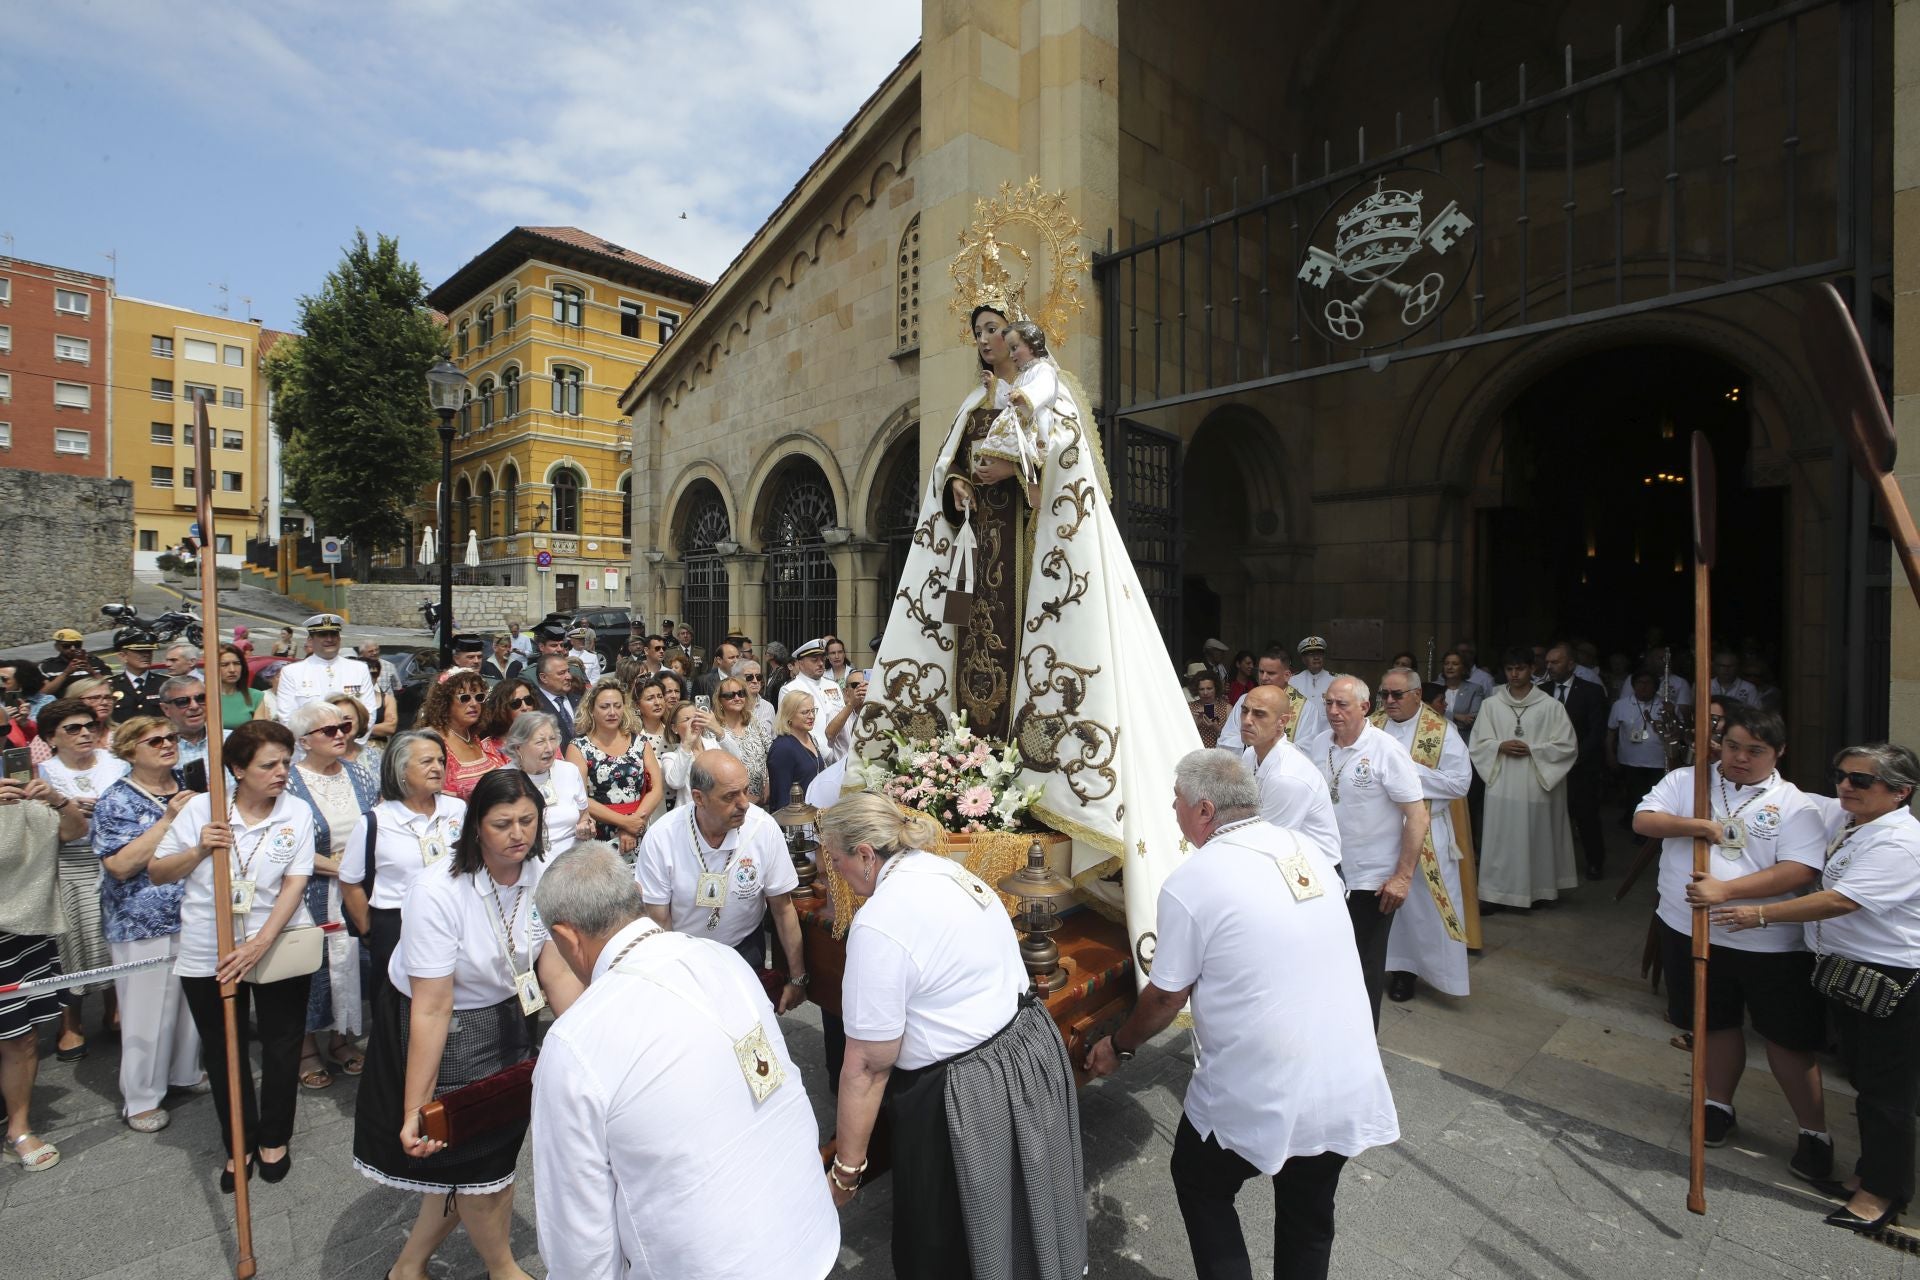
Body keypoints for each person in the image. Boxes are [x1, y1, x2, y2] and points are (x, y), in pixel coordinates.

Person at [1084, 751, 1399, 1280]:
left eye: (1178, 801)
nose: (1173, 808)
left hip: (1266, 1082)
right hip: (1346, 1075)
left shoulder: (1195, 880)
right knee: (1309, 1213)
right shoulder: (1307, 849)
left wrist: (1118, 1045)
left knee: (1200, 1180)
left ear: (1205, 810)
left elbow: (1165, 998)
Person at [532, 841, 840, 1279]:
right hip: (807, 1228)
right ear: (636, 893)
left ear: (566, 937)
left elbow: (578, 1234)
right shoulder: (724, 959)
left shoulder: (575, 1042)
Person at [819, 790, 1086, 1278]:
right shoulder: (947, 870)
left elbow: (867, 1064)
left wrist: (848, 1168)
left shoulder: (879, 922)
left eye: (836, 861)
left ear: (864, 853)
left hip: (966, 1090)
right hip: (1026, 1053)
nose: (834, 874)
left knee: (945, 1242)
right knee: (1023, 1207)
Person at [351, 770, 584, 1280]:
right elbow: (432, 1006)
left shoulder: (543, 872)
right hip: (446, 1022)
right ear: (475, 827)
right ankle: (503, 1269)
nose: (518, 834)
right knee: (483, 1164)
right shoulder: (436, 890)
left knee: (477, 1157)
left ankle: (408, 1266)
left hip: (508, 1011)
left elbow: (553, 966)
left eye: (528, 820)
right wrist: (419, 1107)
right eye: (502, 823)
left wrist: (590, 1037)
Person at [1711, 743, 1920, 1234]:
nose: (1846, 786)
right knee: (1867, 1082)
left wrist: (1757, 913)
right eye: (1841, 775)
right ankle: (1870, 1174)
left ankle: (1881, 1195)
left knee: (1887, 1093)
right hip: (1851, 973)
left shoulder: (1900, 843)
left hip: (1890, 978)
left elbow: (1840, 902)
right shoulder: (1851, 819)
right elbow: (1782, 793)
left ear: (1899, 792)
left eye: (1861, 780)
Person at [1632, 703, 1831, 1175]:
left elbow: (1800, 869)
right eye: (1733, 746)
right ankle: (1718, 1104)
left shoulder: (1795, 804)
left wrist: (1725, 890)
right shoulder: (1690, 782)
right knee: (1713, 1023)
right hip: (1688, 928)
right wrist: (1697, 825)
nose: (1740, 758)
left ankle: (1813, 1130)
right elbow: (1645, 819)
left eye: (1754, 751)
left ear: (1778, 752)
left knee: (1786, 1038)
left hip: (1764, 941)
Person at [148, 720, 316, 1191]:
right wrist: (201, 848)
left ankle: (275, 1138)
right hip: (210, 944)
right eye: (269, 764)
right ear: (238, 769)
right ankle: (237, 1142)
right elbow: (158, 871)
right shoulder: (203, 809)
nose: (281, 772)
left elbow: (296, 881)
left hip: (278, 940)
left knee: (283, 1045)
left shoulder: (296, 811)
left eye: (286, 762)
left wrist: (260, 942)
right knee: (225, 1050)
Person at [92, 715, 206, 1132]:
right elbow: (120, 865)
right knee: (146, 1011)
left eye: (171, 737)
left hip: (196, 912)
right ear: (129, 751)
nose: (166, 745)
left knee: (191, 1004)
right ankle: (141, 1096)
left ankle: (184, 1071)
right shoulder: (116, 799)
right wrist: (168, 821)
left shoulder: (192, 785)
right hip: (141, 921)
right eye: (154, 740)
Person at [1307, 676, 1429, 1027]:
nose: (1333, 711)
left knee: (1364, 965)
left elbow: (1417, 815)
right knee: (1325, 961)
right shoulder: (1319, 744)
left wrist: (1403, 877)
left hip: (1371, 880)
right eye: (1328, 703)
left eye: (1342, 704)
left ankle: (1362, 1049)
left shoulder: (1385, 749)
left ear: (1364, 706)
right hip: (1327, 872)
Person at [635, 751, 807, 993]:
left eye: (746, 791)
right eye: (730, 797)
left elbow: (783, 907)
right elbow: (658, 920)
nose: (745, 804)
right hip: (685, 955)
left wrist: (798, 978)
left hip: (746, 949)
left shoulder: (763, 828)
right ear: (699, 798)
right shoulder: (662, 837)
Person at [285, 701, 379, 1089]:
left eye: (342, 727)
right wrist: (339, 866)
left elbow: (378, 819)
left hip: (357, 886)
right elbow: (287, 844)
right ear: (305, 740)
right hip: (312, 888)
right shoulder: (290, 781)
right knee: (313, 965)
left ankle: (342, 1038)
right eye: (329, 731)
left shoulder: (358, 772)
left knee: (353, 961)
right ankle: (306, 1048)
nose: (340, 734)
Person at [37, 696, 130, 1061]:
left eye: (89, 726)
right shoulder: (42, 774)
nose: (84, 733)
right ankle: (70, 1022)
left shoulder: (117, 765)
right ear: (51, 737)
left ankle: (115, 1008)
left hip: (115, 858)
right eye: (72, 728)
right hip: (69, 863)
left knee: (113, 938)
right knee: (72, 942)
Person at [1373, 666, 1473, 1004]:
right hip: (1378, 830)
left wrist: (1406, 771)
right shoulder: (1371, 726)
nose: (1388, 701)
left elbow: (1460, 783)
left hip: (1426, 830)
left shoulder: (1442, 732)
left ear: (1417, 695)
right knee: (1379, 904)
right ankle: (1382, 965)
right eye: (1383, 694)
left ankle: (1410, 971)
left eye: (1396, 694)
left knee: (1419, 908)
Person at [0, 774, 85, 1171]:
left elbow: (74, 829)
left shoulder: (24, 797)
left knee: (22, 1038)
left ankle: (18, 1127)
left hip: (24, 930)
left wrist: (55, 797)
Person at [339, 730, 466, 995]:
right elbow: (350, 882)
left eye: (441, 761)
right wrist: (370, 932)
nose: (437, 768)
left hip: (453, 918)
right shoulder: (375, 822)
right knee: (394, 1008)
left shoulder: (457, 810)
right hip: (395, 925)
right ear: (401, 769)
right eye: (427, 761)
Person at [1470, 646, 1579, 909]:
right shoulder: (1491, 705)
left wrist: (1535, 749)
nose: (1515, 674)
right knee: (1501, 840)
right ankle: (1496, 894)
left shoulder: (1551, 707)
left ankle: (1537, 891)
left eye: (1520, 668)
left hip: (1536, 784)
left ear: (1532, 669)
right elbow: (1477, 743)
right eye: (1509, 669)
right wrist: (1498, 746)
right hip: (1503, 781)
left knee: (1535, 837)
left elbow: (1567, 746)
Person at [1237, 685, 1341, 865]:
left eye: (1259, 714)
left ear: (1282, 722)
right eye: (1244, 711)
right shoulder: (1250, 754)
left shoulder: (1286, 776)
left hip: (1314, 871)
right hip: (1282, 858)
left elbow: (1267, 843)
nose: (1247, 720)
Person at [567, 678, 661, 856]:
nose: (612, 712)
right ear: (591, 710)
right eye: (604, 707)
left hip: (639, 829)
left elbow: (656, 788)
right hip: (599, 838)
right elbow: (578, 797)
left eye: (617, 706)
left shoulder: (640, 742)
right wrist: (625, 823)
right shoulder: (578, 747)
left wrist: (634, 825)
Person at [1542, 643, 1612, 880]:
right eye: (1548, 662)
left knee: (1586, 815)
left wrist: (1574, 756)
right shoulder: (1541, 690)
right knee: (1551, 816)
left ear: (1571, 664)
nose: (1549, 666)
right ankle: (1552, 864)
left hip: (1582, 766)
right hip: (1549, 766)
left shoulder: (1591, 691)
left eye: (1556, 662)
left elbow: (1597, 730)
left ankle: (1595, 862)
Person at [502, 712, 594, 858]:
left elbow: (584, 815)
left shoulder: (569, 771)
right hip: (525, 862)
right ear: (518, 747)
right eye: (540, 742)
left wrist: (586, 826)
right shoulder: (501, 780)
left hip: (572, 861)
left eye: (552, 739)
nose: (550, 748)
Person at [275, 613, 379, 731]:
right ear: (310, 640)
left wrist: (351, 744)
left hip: (351, 745)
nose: (329, 639)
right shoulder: (292, 673)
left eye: (334, 634)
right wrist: (313, 747)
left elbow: (368, 715)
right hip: (309, 747)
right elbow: (288, 719)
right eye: (323, 635)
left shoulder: (359, 669)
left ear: (339, 638)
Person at [418, 669, 505, 801]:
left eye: (479, 697)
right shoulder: (432, 742)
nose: (474, 703)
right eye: (465, 698)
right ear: (445, 702)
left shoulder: (474, 737)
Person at [1217, 647, 1304, 753]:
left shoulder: (1305, 708)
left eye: (1271, 673)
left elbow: (1306, 749)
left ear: (1287, 675)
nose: (1264, 677)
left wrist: (1264, 742)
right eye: (1261, 672)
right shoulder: (1245, 699)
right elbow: (1225, 740)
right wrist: (1253, 742)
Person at [1608, 671, 1669, 813]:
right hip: (1630, 762)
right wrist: (1610, 754)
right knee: (1634, 798)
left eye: (1648, 683)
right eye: (1640, 683)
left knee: (1656, 801)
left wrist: (1670, 715)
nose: (1644, 687)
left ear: (1655, 687)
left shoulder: (1666, 706)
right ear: (1633, 685)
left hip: (1657, 762)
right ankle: (1636, 829)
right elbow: (1611, 732)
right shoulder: (1620, 705)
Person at [767, 690, 834, 815]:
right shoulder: (782, 748)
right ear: (789, 715)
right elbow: (781, 798)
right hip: (797, 823)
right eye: (805, 712)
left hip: (816, 816)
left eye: (813, 710)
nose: (812, 716)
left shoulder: (810, 737)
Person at [713, 674, 773, 803]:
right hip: (729, 799)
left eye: (741, 693)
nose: (737, 698)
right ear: (720, 701)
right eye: (730, 695)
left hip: (762, 799)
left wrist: (769, 782)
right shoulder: (714, 728)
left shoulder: (752, 720)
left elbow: (771, 751)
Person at [659, 701, 720, 812]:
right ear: (674, 728)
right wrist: (687, 744)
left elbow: (737, 758)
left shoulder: (714, 744)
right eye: (687, 719)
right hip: (689, 815)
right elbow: (676, 783)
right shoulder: (670, 757)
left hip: (717, 812)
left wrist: (719, 731)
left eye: (696, 717)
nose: (694, 722)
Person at [108, 627, 169, 723]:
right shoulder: (110, 686)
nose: (146, 655)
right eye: (139, 651)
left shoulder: (166, 683)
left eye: (149, 651)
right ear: (123, 656)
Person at [157, 673, 212, 769]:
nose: (194, 706)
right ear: (166, 709)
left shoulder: (230, 740)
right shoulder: (157, 750)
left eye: (201, 698)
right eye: (183, 701)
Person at [1289, 636, 1337, 742]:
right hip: (1301, 739)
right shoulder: (1292, 681)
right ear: (1303, 659)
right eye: (1311, 654)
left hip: (1329, 737)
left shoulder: (1336, 681)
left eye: (1319, 653)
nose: (1316, 657)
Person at [39, 627, 110, 698]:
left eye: (77, 645)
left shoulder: (96, 662)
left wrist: (92, 672)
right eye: (66, 646)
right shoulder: (47, 666)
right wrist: (65, 673)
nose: (73, 648)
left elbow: (110, 687)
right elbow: (44, 693)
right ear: (57, 647)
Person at [529, 653, 580, 752]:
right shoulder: (533, 705)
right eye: (561, 673)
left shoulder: (579, 698)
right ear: (544, 678)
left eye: (568, 671)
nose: (569, 676)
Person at [477, 675, 540, 753]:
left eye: (528, 700)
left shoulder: (546, 737)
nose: (525, 707)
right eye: (516, 703)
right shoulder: (488, 749)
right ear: (501, 709)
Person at [215, 643, 267, 731]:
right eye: (224, 665)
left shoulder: (255, 696)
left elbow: (259, 733)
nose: (232, 670)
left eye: (236, 664)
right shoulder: (203, 697)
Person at [1437, 651, 1485, 741]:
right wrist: (1457, 716)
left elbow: (1473, 720)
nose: (1449, 667)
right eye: (1446, 663)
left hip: (1463, 739)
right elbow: (1429, 714)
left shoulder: (1475, 689)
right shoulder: (1434, 687)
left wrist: (1443, 716)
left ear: (1463, 668)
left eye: (1455, 664)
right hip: (1437, 737)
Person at [631, 676, 671, 762]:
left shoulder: (675, 730)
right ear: (637, 705)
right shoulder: (633, 737)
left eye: (660, 696)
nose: (657, 702)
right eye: (650, 698)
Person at [735, 659, 776, 732]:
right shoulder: (731, 705)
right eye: (749, 677)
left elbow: (773, 738)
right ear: (737, 679)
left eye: (758, 677)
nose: (755, 681)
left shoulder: (768, 707)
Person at [693, 637, 739, 702]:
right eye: (731, 658)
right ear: (719, 660)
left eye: (737, 657)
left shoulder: (744, 679)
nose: (736, 661)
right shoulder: (702, 682)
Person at [1189, 672, 1228, 748]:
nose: (1205, 693)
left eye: (1209, 688)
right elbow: (1180, 736)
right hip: (1194, 754)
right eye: (1201, 689)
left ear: (1216, 688)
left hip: (1218, 755)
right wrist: (1195, 725)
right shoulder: (1190, 707)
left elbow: (1233, 739)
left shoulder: (1227, 708)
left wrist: (1216, 728)